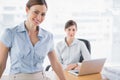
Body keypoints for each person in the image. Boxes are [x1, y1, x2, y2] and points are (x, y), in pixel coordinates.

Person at [0, 0, 66, 80]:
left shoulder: (48, 36)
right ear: (27, 10)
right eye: (36, 12)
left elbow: (55, 63)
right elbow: (1, 64)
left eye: (43, 14)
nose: (39, 17)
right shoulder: (10, 33)